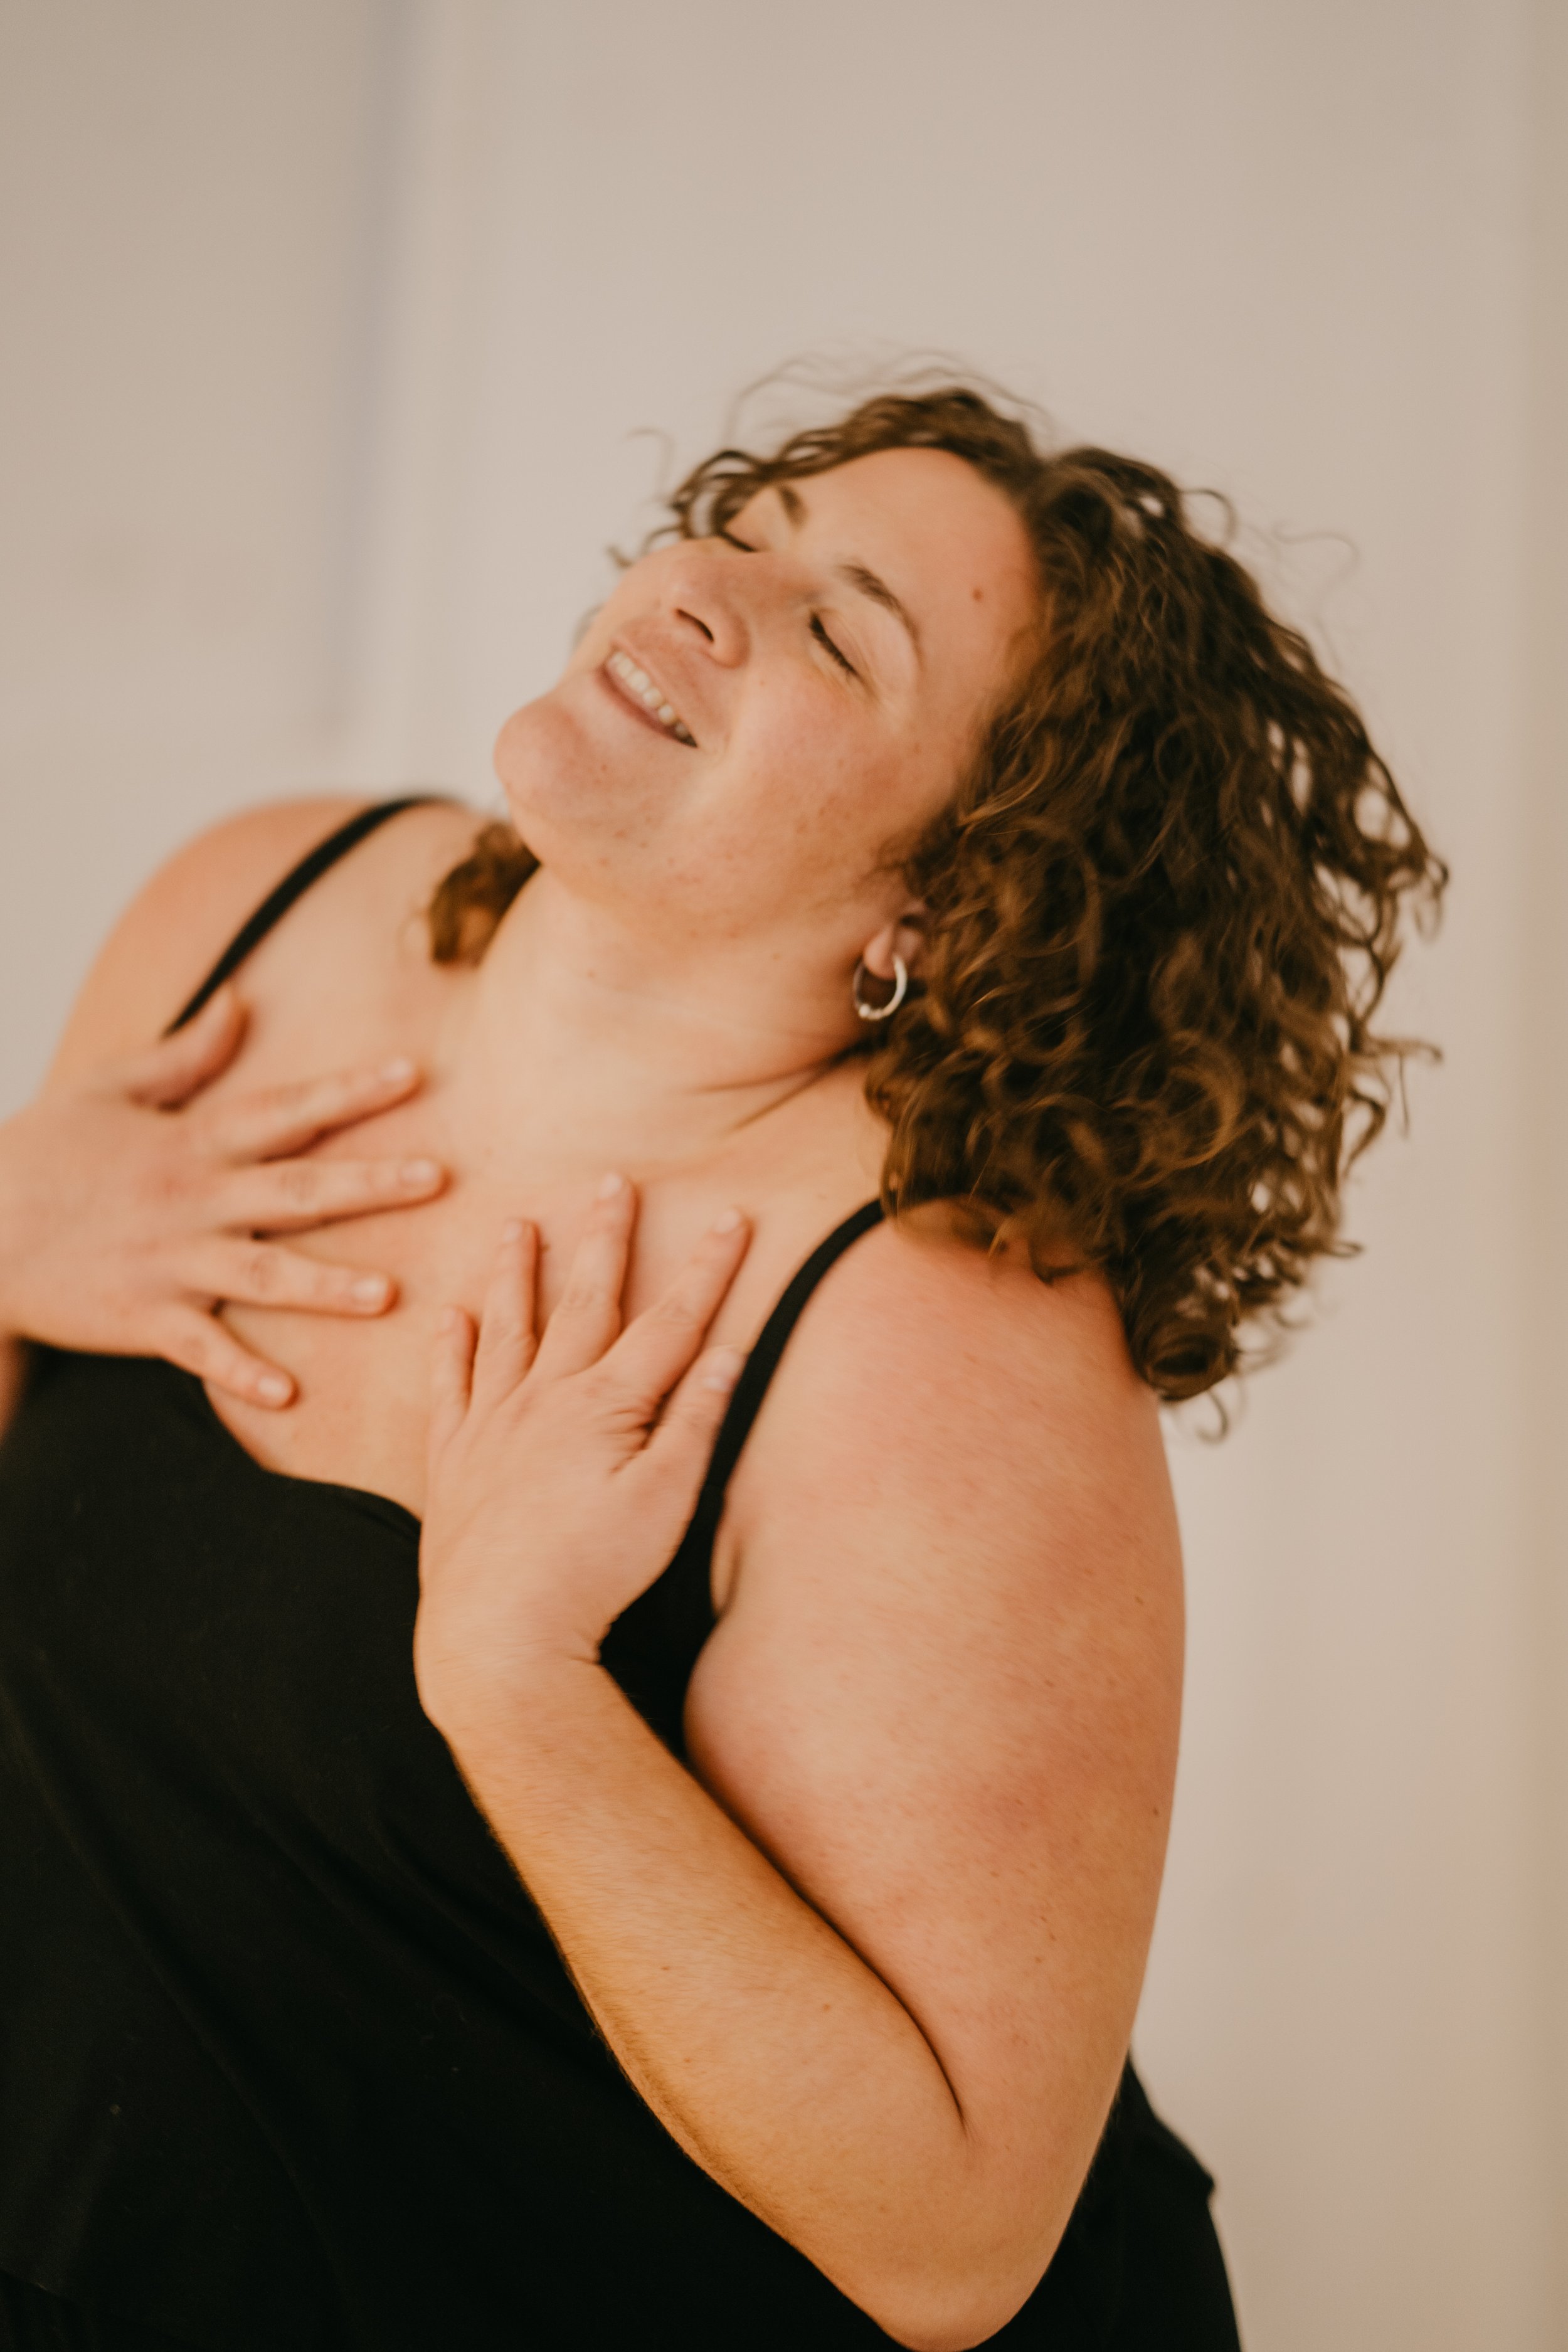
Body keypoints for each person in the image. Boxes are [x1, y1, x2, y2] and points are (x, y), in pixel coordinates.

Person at [0, 387, 1443, 2351]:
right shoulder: (252, 904)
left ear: (952, 896)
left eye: (841, 630)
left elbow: (950, 2243)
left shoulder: (943, 1341)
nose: (706, 592)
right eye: (745, 529)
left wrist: (516, 1687)